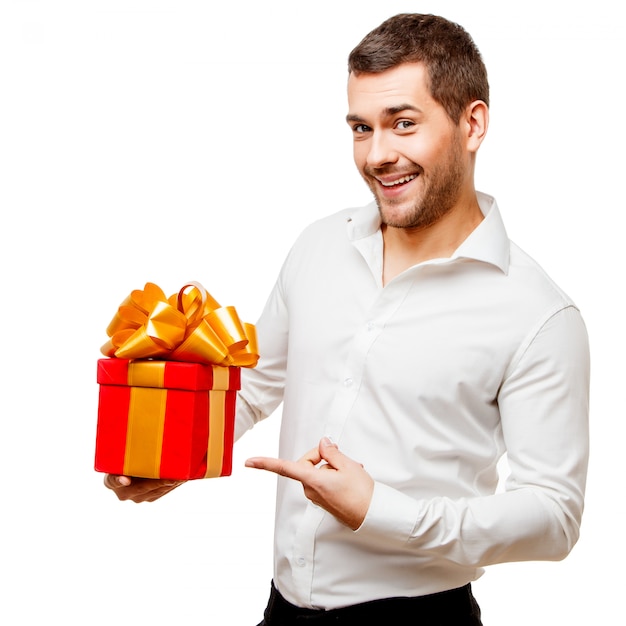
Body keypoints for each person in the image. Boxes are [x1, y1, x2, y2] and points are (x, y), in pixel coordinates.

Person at [104, 13, 590, 625]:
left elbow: (554, 517)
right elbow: (256, 385)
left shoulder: (541, 315)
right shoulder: (318, 246)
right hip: (281, 609)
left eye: (403, 125)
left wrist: (380, 509)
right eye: (362, 128)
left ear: (473, 123)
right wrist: (171, 456)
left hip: (419, 619)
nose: (378, 155)